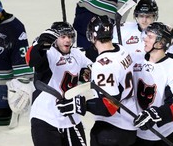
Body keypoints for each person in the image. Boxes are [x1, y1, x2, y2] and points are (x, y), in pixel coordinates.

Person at [57, 16, 137, 146]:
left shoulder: (103, 66)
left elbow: (109, 107)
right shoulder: (121, 50)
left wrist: (80, 105)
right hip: (129, 126)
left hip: (112, 129)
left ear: (92, 36)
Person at [26, 21, 92, 146]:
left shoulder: (77, 54)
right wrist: (42, 44)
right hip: (45, 118)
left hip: (71, 118)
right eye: (63, 37)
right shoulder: (49, 53)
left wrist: (86, 72)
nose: (67, 40)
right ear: (55, 39)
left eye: (70, 36)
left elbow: (95, 71)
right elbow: (33, 61)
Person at [131, 22, 173, 146]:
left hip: (168, 134)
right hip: (138, 133)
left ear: (161, 43)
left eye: (150, 37)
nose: (145, 39)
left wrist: (154, 114)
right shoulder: (134, 60)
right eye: (146, 35)